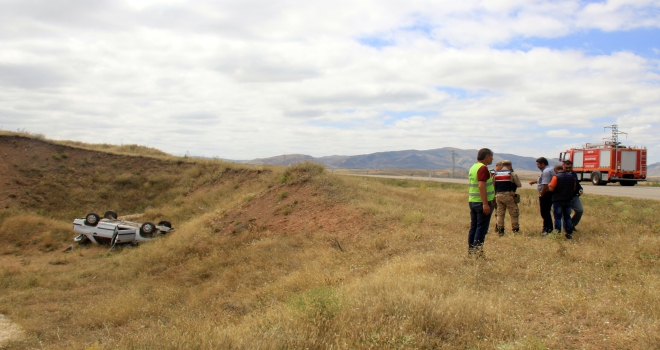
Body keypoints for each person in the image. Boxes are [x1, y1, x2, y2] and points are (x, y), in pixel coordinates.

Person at [468, 148, 495, 257]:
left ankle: (471, 252)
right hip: (481, 203)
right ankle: (477, 254)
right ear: (487, 156)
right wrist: (485, 204)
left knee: (474, 227)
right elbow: (481, 185)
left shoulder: (473, 167)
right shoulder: (483, 168)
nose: (492, 159)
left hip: (473, 201)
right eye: (491, 156)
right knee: (481, 229)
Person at [548, 164, 576, 239]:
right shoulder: (571, 177)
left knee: (557, 217)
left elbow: (551, 189)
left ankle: (557, 233)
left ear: (555, 170)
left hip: (558, 200)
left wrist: (549, 186)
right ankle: (569, 233)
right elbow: (574, 187)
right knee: (567, 217)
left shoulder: (555, 177)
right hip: (568, 199)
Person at [494, 160, 522, 235]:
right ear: (510, 165)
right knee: (514, 214)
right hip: (509, 195)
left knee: (500, 214)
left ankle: (500, 231)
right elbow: (519, 185)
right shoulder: (512, 173)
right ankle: (515, 230)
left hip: (499, 195)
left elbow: (494, 185)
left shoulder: (496, 174)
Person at [528, 157, 555, 235]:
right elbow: (546, 180)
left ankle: (548, 229)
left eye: (538, 164)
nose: (537, 166)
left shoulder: (546, 171)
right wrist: (535, 182)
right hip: (550, 193)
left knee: (545, 212)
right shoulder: (551, 169)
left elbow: (546, 185)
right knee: (547, 211)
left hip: (546, 194)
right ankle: (547, 228)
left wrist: (541, 194)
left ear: (543, 164)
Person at [563, 160, 584, 231]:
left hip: (574, 196)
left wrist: (580, 189)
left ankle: (572, 224)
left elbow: (577, 184)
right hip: (565, 198)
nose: (568, 169)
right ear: (563, 166)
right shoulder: (560, 174)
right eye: (566, 168)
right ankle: (567, 228)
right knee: (566, 213)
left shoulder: (573, 173)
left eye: (570, 168)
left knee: (580, 210)